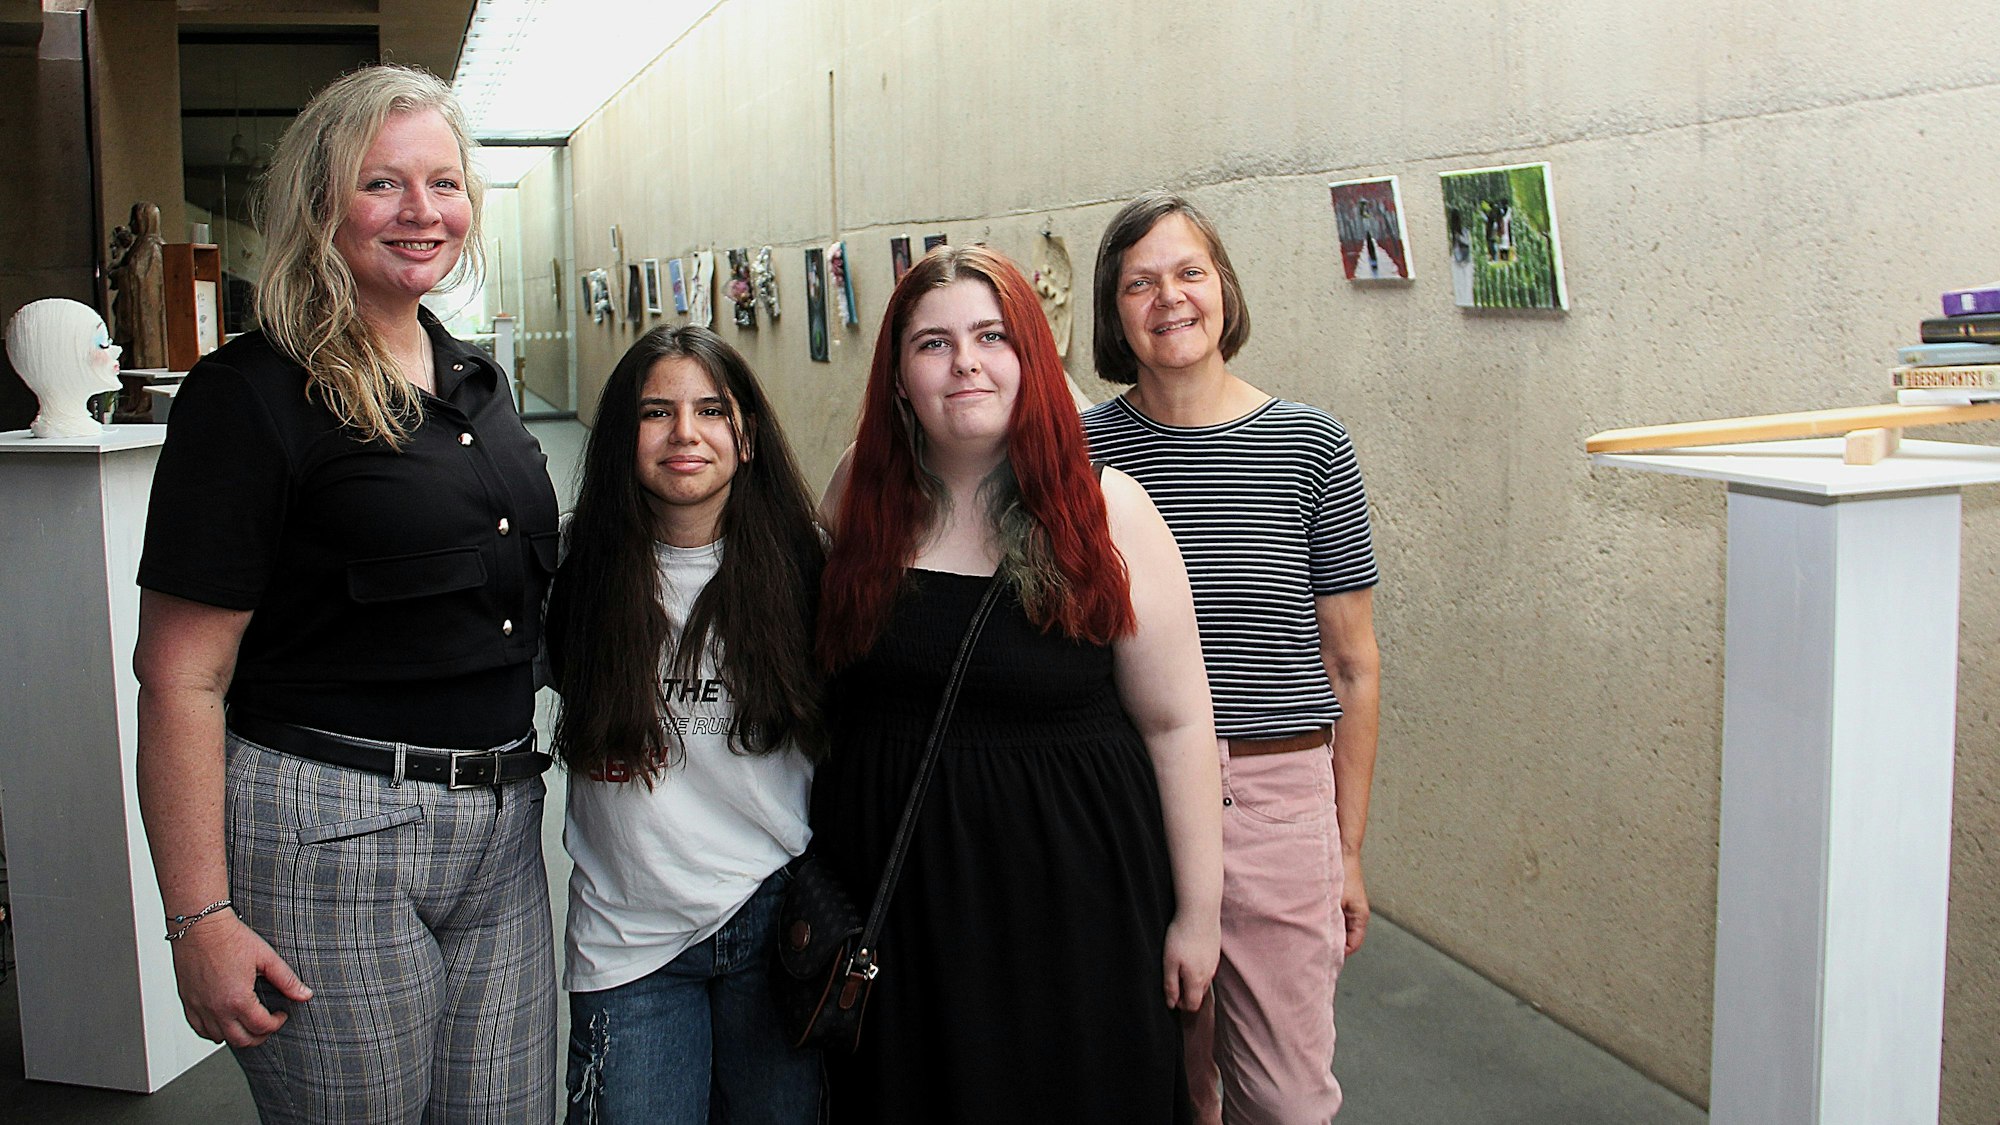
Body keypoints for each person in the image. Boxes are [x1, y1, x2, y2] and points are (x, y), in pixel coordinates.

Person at [131, 64, 560, 1122]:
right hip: (330, 833)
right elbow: (179, 678)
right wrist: (199, 919)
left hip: (503, 830)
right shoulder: (252, 397)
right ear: (322, 204)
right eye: (383, 184)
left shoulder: (476, 388)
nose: (422, 213)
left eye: (444, 183)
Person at [811, 244, 1223, 1123]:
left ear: (1033, 360)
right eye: (933, 343)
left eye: (992, 336)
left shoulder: (1110, 512)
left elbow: (1179, 724)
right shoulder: (858, 496)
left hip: (1072, 903)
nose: (965, 361)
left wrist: (1198, 912)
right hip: (900, 897)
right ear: (897, 376)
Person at [1083, 191, 1383, 1124]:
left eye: (1189, 273)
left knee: (1286, 1100)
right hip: (1126, 797)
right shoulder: (1078, 451)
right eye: (1141, 281)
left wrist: (1348, 849)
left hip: (1274, 795)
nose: (1169, 298)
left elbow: (1354, 666)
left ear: (1225, 290)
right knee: (1171, 1087)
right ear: (1113, 309)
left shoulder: (1310, 443)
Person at [546, 325, 825, 1124]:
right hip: (628, 938)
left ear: (747, 433)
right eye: (656, 411)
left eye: (711, 409)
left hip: (775, 925)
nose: (684, 434)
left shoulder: (807, 565)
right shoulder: (575, 571)